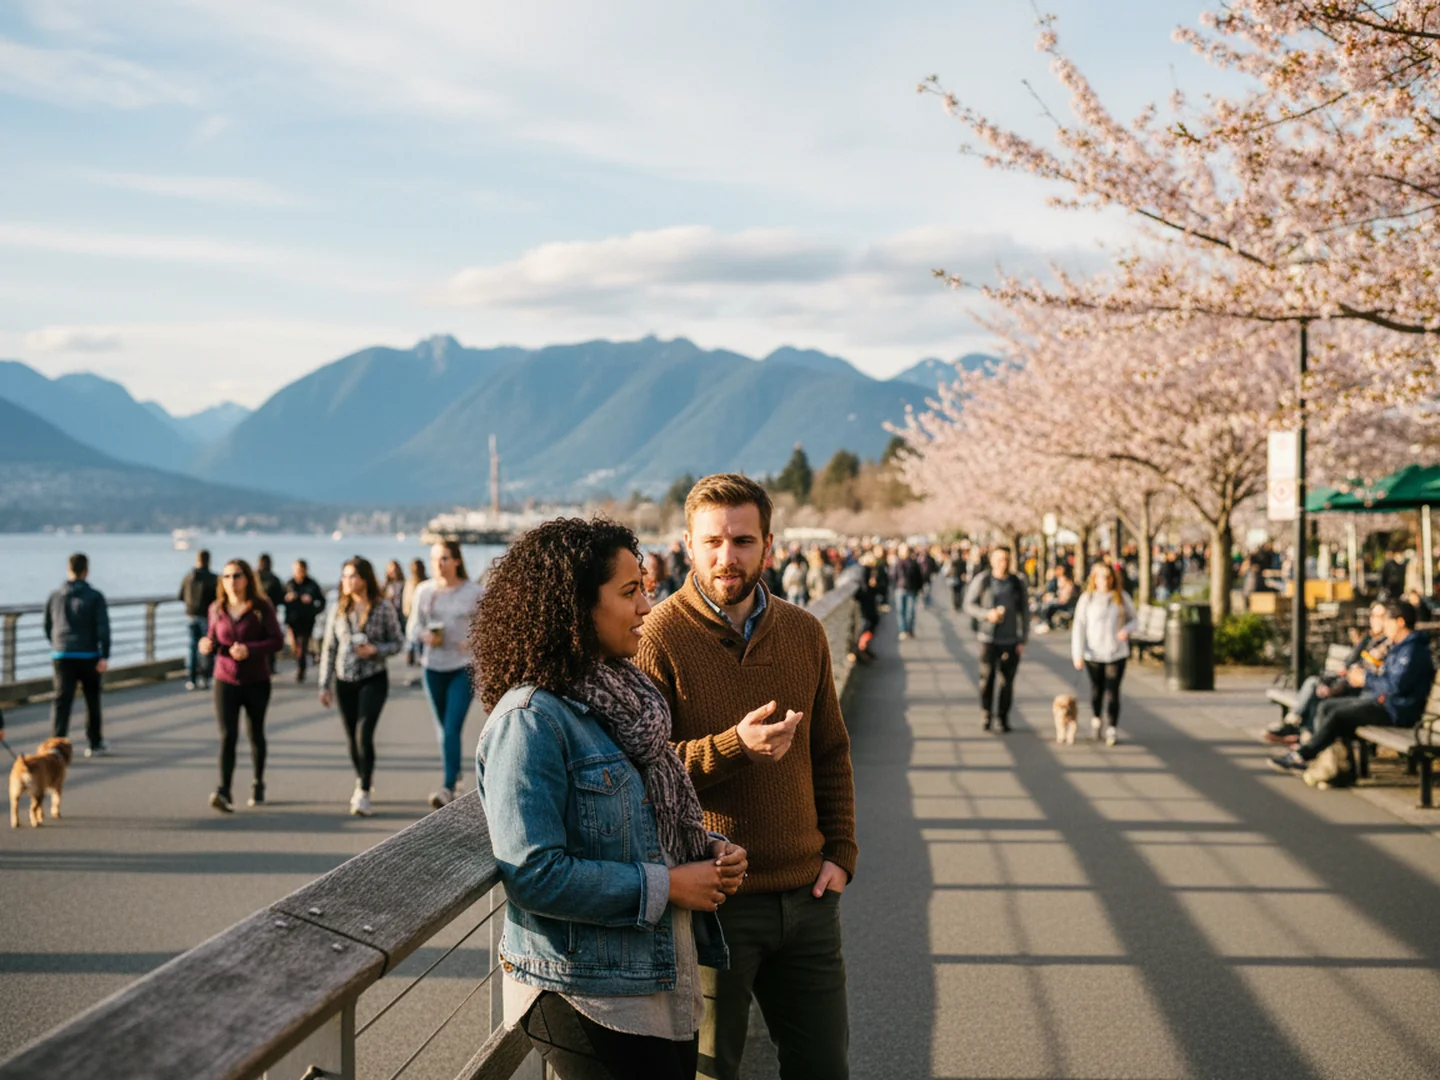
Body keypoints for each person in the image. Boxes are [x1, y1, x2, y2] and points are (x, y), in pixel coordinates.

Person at [475, 517, 746, 1079]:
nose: (647, 606)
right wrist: (670, 884)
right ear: (574, 606)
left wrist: (707, 853)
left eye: (644, 587)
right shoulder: (529, 720)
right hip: (584, 991)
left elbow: (639, 820)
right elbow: (532, 873)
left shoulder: (627, 698)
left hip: (660, 978)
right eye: (630, 591)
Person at [637, 474, 857, 1080]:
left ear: (768, 545)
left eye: (741, 540)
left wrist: (840, 853)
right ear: (687, 542)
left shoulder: (805, 632)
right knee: (711, 1071)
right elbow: (644, 773)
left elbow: (831, 751)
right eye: (711, 541)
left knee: (824, 1067)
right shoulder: (658, 637)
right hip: (715, 899)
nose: (725, 557)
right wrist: (735, 746)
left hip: (808, 896)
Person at [1272, 601, 1436, 776]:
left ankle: (1307, 757)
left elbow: (1395, 687)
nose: (1384, 625)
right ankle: (1329, 763)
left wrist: (1366, 679)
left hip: (1397, 711)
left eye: (1387, 620)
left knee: (1338, 714)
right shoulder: (1400, 647)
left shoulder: (1411, 651)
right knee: (1327, 706)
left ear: (1400, 622)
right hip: (1385, 703)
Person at [318, 557, 404, 816]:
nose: (346, 581)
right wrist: (324, 685)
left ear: (364, 579)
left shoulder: (383, 607)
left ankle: (364, 791)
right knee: (351, 739)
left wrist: (376, 650)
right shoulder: (339, 609)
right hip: (344, 680)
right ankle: (362, 777)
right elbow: (329, 648)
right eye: (344, 576)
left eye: (351, 576)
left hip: (373, 678)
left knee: (363, 734)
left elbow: (398, 642)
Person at [198, 559, 284, 812]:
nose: (231, 582)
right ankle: (224, 790)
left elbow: (277, 641)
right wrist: (206, 644)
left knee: (255, 733)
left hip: (256, 679)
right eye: (226, 577)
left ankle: (258, 782)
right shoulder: (216, 608)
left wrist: (251, 650)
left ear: (247, 578)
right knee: (228, 736)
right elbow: (213, 638)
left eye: (236, 576)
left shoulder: (261, 607)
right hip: (225, 679)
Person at [407, 541, 485, 809]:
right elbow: (412, 626)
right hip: (433, 666)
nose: (437, 564)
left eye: (443, 558)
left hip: (463, 667)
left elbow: (488, 626)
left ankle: (448, 786)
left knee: (451, 727)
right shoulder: (424, 591)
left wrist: (474, 641)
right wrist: (423, 636)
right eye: (434, 558)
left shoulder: (474, 591)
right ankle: (456, 775)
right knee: (443, 729)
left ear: (456, 561)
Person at [1264, 602, 1390, 744]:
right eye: (1373, 616)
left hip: (1357, 690)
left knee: (1320, 696)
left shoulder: (1388, 645)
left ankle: (1303, 734)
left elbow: (1372, 675)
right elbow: (1349, 664)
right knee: (1316, 686)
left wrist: (1340, 683)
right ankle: (1301, 732)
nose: (1374, 620)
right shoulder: (1369, 640)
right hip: (1345, 682)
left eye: (1379, 616)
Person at [45, 553, 111, 758]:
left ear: (68, 569)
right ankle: (94, 742)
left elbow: (48, 626)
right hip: (88, 654)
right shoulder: (95, 597)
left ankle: (56, 744)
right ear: (86, 571)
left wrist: (57, 644)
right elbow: (103, 628)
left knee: (62, 700)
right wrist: (104, 655)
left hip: (62, 653)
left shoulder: (55, 596)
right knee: (92, 699)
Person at [963, 547, 1030, 733]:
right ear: (992, 561)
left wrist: (1023, 638)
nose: (1004, 563)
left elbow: (1024, 610)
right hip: (988, 637)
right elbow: (968, 604)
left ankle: (1002, 716)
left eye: (1006, 559)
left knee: (1007, 681)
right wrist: (986, 614)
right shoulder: (983, 580)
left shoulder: (1017, 582)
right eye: (1000, 559)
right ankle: (986, 713)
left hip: (1010, 638)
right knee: (987, 678)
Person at [1071, 562, 1139, 746]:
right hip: (1093, 653)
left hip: (1116, 652)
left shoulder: (1121, 597)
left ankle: (1112, 727)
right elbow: (1079, 626)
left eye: (1108, 577)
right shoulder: (1088, 598)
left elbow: (1135, 619)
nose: (1104, 581)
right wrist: (1077, 653)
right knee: (1096, 689)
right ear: (1094, 579)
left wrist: (1126, 629)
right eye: (1100, 577)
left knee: (1113, 690)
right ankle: (1096, 719)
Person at [178, 550, 218, 690]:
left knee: (192, 647)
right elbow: (218, 599)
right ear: (208, 560)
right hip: (207, 617)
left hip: (190, 615)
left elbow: (180, 595)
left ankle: (192, 678)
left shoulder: (188, 577)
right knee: (207, 648)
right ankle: (206, 678)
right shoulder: (213, 578)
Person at [282, 560, 327, 683]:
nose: (298, 572)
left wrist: (313, 607)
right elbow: (280, 599)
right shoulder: (289, 584)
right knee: (295, 646)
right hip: (292, 621)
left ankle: (301, 669)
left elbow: (322, 602)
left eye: (300, 570)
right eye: (296, 570)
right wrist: (286, 599)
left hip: (307, 620)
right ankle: (308, 657)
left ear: (305, 570)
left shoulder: (312, 584)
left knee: (302, 645)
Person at [256, 554, 287, 674]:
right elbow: (281, 598)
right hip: (271, 613)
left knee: (257, 640)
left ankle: (260, 665)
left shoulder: (254, 578)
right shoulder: (274, 579)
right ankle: (270, 666)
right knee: (270, 640)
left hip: (255, 614)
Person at [895, 543, 924, 640]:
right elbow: (893, 576)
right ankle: (903, 630)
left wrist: (919, 588)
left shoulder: (913, 563)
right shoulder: (897, 562)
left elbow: (918, 576)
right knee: (900, 611)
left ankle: (910, 629)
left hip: (911, 589)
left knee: (910, 611)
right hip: (900, 588)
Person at [402, 558, 428, 666]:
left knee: (420, 637)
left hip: (424, 615)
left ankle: (421, 658)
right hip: (411, 614)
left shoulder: (426, 582)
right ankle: (413, 656)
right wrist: (406, 609)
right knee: (412, 636)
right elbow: (406, 597)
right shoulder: (410, 582)